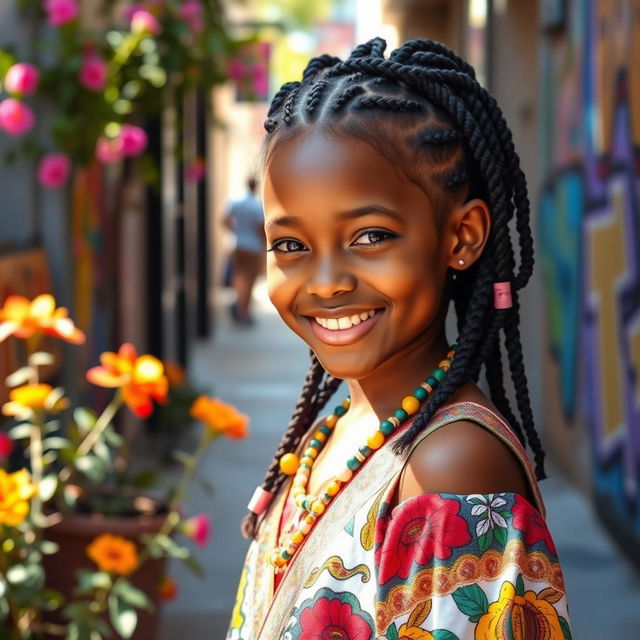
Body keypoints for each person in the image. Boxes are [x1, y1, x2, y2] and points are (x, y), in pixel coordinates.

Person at [227, 38, 572, 639]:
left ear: (461, 236)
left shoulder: (450, 468)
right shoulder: (337, 426)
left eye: (369, 237)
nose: (327, 282)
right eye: (291, 245)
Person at [224, 176, 265, 326]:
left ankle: (239, 305)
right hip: (252, 247)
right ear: (256, 187)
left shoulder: (236, 202)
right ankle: (244, 311)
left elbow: (224, 219)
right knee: (249, 280)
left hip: (238, 245)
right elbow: (261, 229)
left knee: (239, 276)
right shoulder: (257, 206)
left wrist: (235, 231)